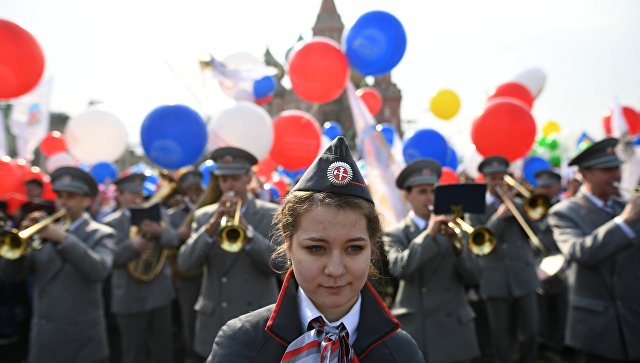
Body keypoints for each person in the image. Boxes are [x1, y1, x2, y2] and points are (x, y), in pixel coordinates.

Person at [207, 136, 424, 362]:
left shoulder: (402, 352)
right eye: (316, 249)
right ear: (288, 245)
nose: (335, 269)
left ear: (373, 246)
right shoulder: (242, 342)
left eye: (353, 249)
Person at [0, 166, 116, 362]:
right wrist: (19, 245)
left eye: (70, 196)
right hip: (45, 339)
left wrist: (64, 239)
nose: (63, 202)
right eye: (59, 196)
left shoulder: (102, 233)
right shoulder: (43, 233)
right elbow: (10, 275)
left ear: (87, 200)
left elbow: (99, 270)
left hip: (83, 342)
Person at [177, 147, 281, 360]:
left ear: (248, 178)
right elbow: (185, 264)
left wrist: (248, 233)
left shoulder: (270, 213)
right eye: (224, 179)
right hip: (216, 320)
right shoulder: (204, 216)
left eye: (234, 178)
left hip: (256, 318)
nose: (229, 185)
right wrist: (210, 228)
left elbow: (279, 264)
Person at [547, 138, 640, 363]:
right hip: (596, 330)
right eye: (607, 170)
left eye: (617, 168)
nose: (617, 176)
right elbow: (580, 252)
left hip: (633, 321)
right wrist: (625, 221)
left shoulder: (624, 207)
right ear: (585, 174)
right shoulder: (564, 212)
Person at [383, 158, 481, 363]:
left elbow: (473, 275)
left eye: (433, 191)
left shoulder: (454, 228)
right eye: (422, 191)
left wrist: (458, 249)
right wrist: (429, 236)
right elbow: (399, 268)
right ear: (407, 196)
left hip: (455, 324)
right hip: (422, 328)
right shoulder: (395, 233)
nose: (430, 198)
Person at [466, 156, 539, 363]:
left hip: (523, 276)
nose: (498, 182)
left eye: (502, 177)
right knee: (501, 336)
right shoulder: (475, 207)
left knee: (531, 330)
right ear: (485, 179)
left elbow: (535, 232)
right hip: (494, 280)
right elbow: (477, 242)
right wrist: (498, 217)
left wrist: (520, 210)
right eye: (493, 178)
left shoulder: (520, 202)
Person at [102, 173, 178, 363]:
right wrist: (132, 246)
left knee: (163, 351)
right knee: (134, 354)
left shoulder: (158, 213)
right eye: (130, 193)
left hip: (159, 295)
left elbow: (174, 240)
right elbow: (111, 259)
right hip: (129, 299)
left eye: (139, 192)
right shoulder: (110, 223)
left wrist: (159, 231)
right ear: (118, 195)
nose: (137, 197)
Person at [531, 170, 569, 360]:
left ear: (556, 187)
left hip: (562, 265)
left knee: (561, 308)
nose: (543, 191)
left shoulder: (565, 207)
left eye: (548, 187)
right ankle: (545, 344)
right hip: (539, 265)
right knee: (542, 308)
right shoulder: (533, 207)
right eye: (541, 187)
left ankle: (559, 343)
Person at [168, 168, 205, 363]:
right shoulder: (173, 215)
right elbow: (170, 242)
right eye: (190, 189)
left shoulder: (211, 209)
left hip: (207, 275)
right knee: (188, 322)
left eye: (197, 187)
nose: (195, 192)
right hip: (186, 277)